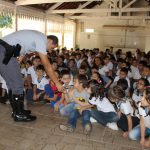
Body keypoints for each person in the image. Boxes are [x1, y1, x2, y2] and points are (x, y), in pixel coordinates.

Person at [0, 30, 63, 122]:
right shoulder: (42, 40)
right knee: (17, 84)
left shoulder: (37, 37)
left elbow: (22, 47)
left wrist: (19, 59)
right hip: (4, 51)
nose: (50, 51)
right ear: (49, 41)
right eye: (51, 48)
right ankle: (18, 114)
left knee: (13, 84)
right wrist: (57, 83)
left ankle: (17, 111)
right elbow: (47, 65)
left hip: (6, 51)